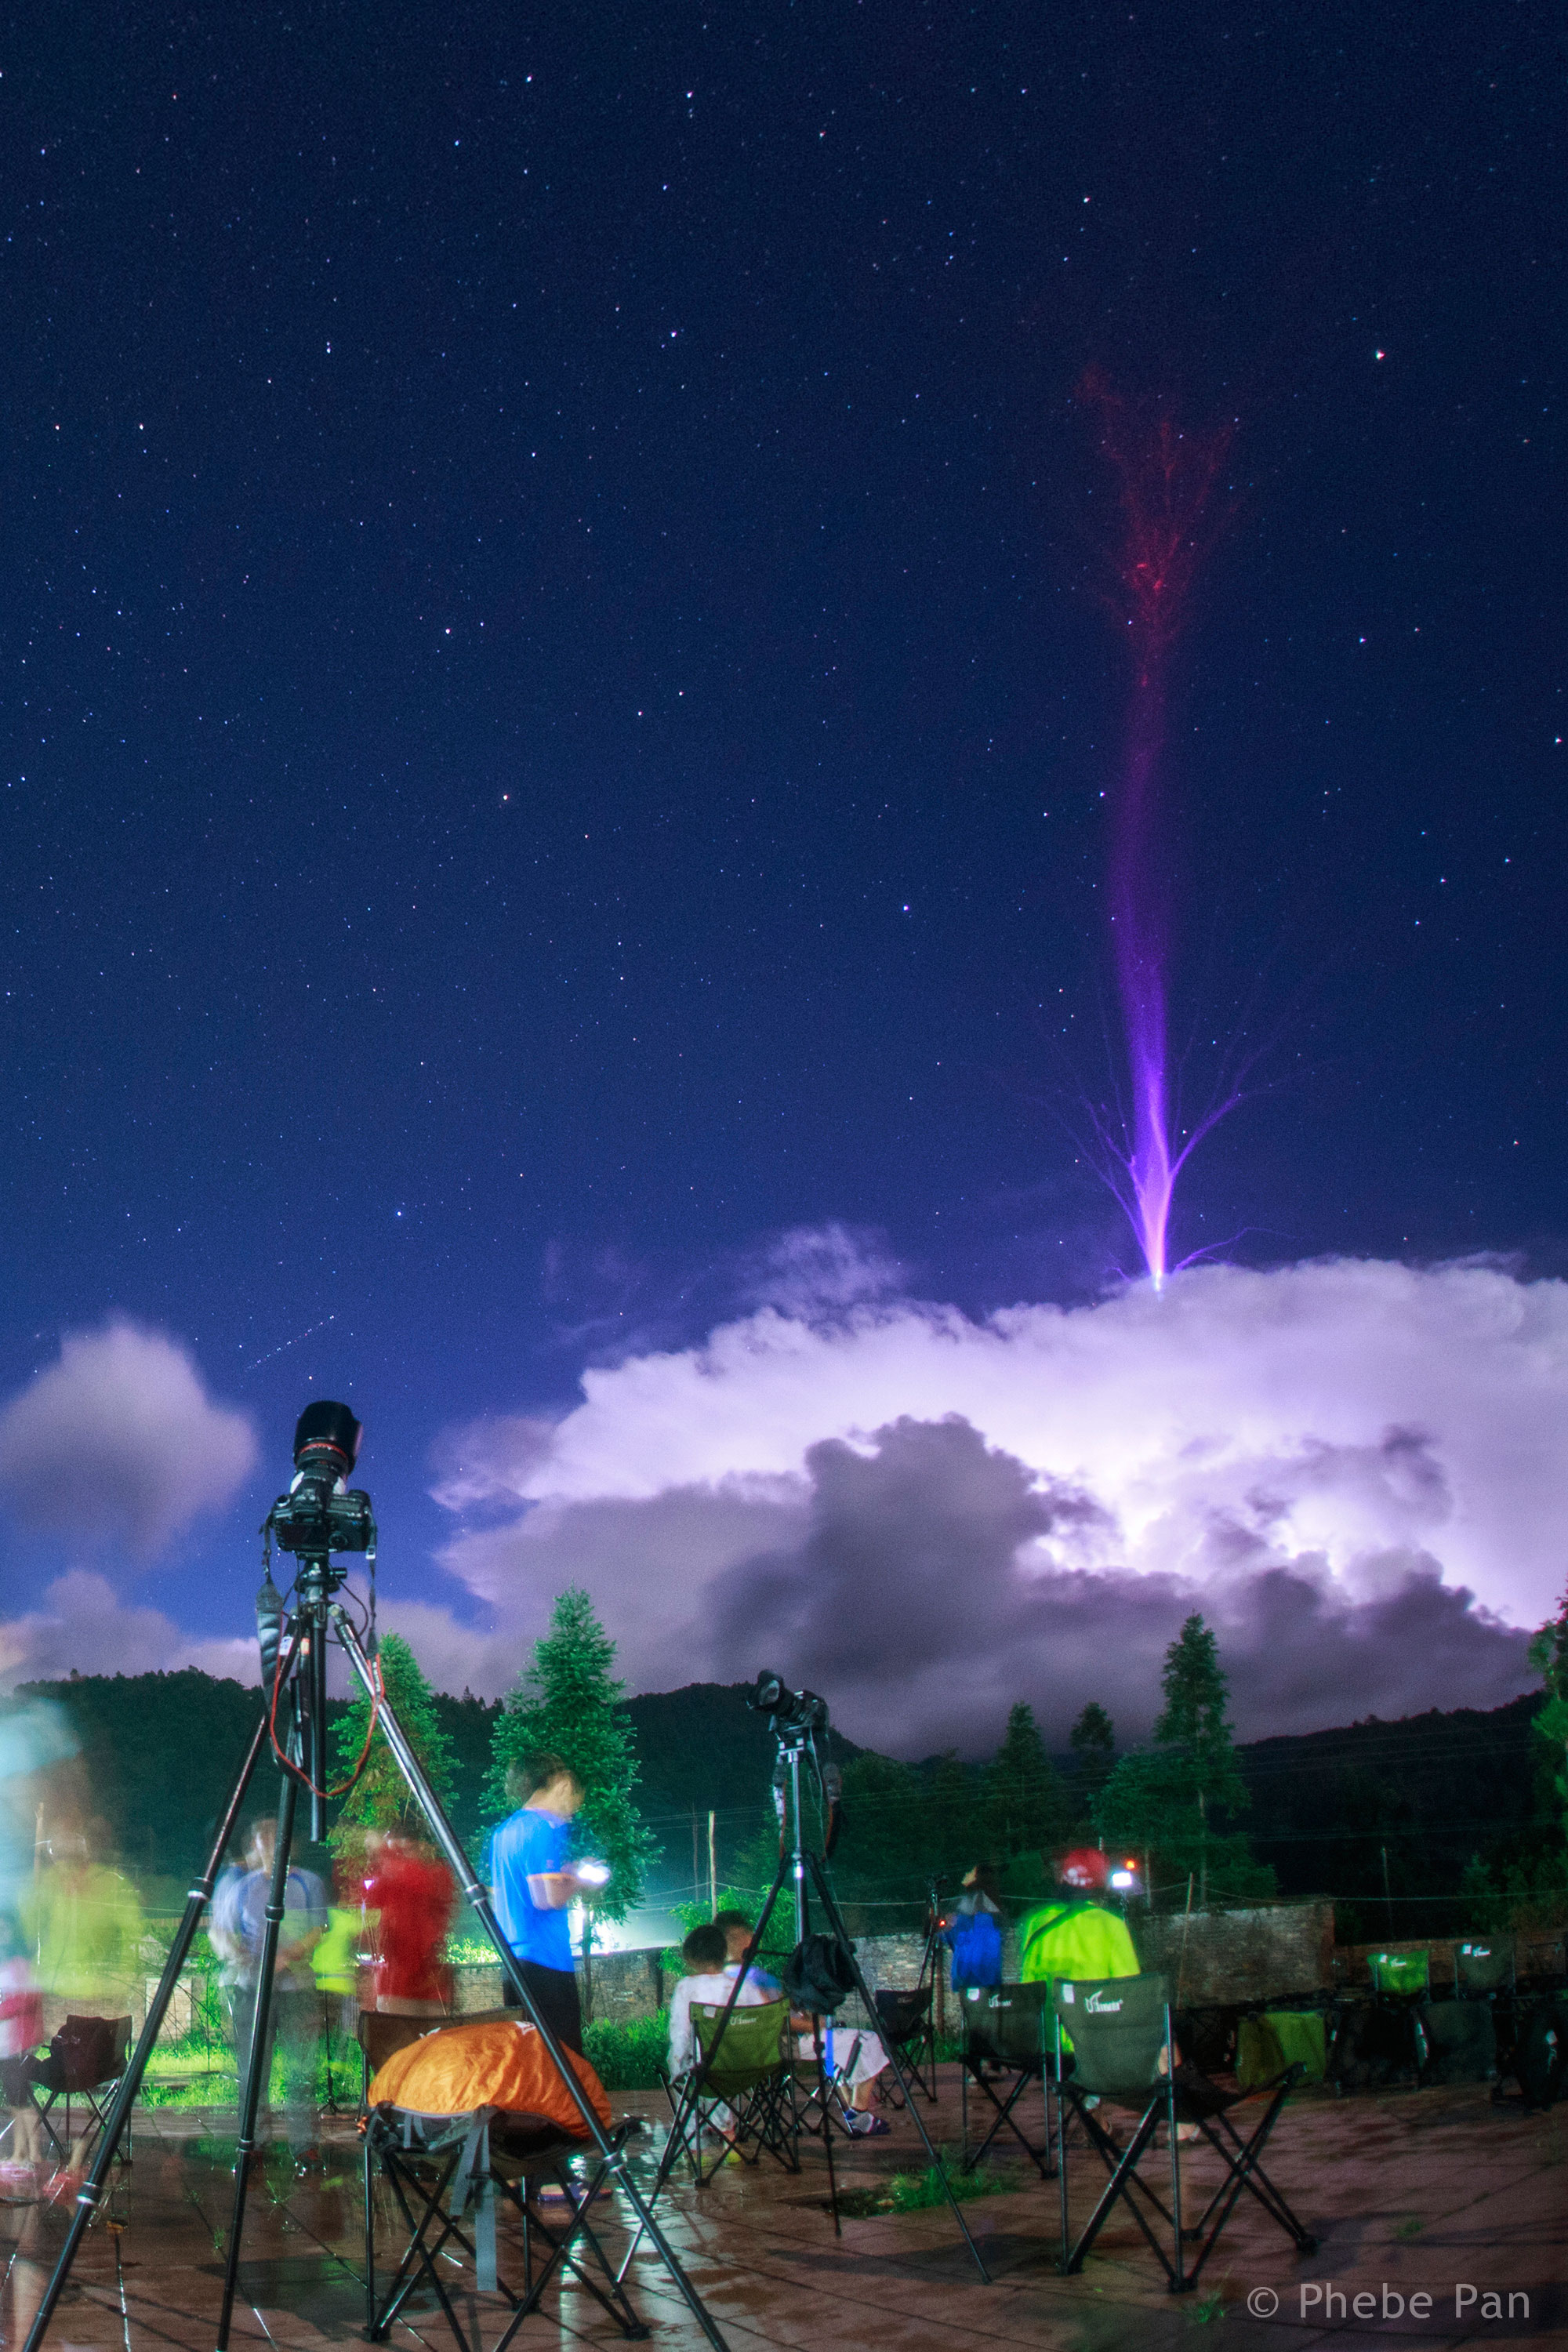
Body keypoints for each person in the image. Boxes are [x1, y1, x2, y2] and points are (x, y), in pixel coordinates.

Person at [209, 1817, 327, 2168]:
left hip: (296, 1989)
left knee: (300, 2070)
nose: (271, 1841)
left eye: (278, 1835)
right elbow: (221, 1932)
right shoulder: (242, 1886)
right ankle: (253, 2144)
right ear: (255, 1845)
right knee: (252, 2071)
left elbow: (317, 1928)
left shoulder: (309, 1883)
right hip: (252, 1991)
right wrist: (234, 1952)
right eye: (264, 1835)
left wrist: (287, 1956)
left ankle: (305, 2146)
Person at [487, 1755, 594, 2056]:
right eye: (575, 1800)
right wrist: (578, 1877)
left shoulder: (503, 1833)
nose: (573, 1811)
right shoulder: (545, 1828)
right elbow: (547, 1897)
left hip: (513, 1962)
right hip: (547, 1962)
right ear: (563, 1784)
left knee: (528, 2059)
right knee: (564, 2062)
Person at [666, 1922, 779, 2079]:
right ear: (724, 1952)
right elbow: (769, 2016)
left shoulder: (685, 1987)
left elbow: (681, 2033)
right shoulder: (744, 1986)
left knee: (683, 2055)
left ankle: (688, 2101)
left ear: (691, 1958)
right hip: (746, 2066)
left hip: (701, 2068)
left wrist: (678, 2069)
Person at [361, 1831, 455, 2016]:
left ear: (423, 1846)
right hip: (399, 1983)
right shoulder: (391, 1877)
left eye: (406, 1849)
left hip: (427, 1983)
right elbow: (370, 1903)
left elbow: (420, 1881)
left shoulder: (435, 1874)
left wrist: (384, 1853)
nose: (400, 1855)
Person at [1017, 1848, 1140, 1984]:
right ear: (1103, 1885)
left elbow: (1027, 1986)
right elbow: (1129, 1988)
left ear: (1064, 1880)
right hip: (1094, 2005)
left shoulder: (1036, 1923)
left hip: (1049, 2006)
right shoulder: (1111, 1925)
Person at [944, 1863, 1005, 1990]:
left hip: (979, 1976)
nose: (967, 1875)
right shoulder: (964, 1903)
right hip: (974, 1975)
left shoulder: (981, 1906)